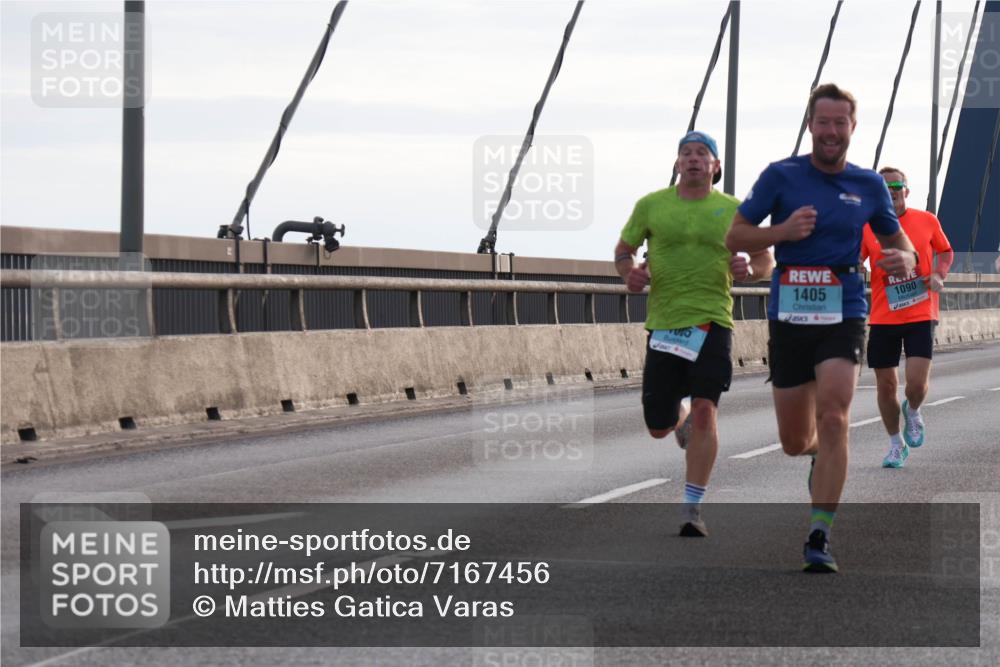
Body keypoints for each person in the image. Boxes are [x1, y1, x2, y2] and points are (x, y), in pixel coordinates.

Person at [725, 84, 918, 573]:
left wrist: (904, 257)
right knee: (795, 439)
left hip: (845, 308)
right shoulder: (780, 176)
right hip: (790, 312)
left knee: (835, 415)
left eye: (840, 123)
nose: (831, 132)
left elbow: (902, 244)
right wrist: (781, 233)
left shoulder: (870, 185)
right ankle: (815, 453)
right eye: (823, 122)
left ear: (853, 127)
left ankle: (819, 535)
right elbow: (737, 234)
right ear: (811, 124)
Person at [615, 130, 774, 537]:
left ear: (715, 166)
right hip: (665, 324)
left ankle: (692, 507)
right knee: (657, 425)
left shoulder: (734, 209)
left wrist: (750, 272)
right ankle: (677, 419)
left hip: (712, 322)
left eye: (702, 153)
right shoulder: (651, 205)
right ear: (676, 163)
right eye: (685, 153)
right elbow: (623, 249)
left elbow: (764, 259)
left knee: (707, 408)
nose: (693, 159)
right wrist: (629, 273)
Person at [861, 167, 954, 468]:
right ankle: (895, 444)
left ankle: (912, 411)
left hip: (920, 310)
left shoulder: (926, 220)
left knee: (915, 384)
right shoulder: (867, 227)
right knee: (886, 386)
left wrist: (939, 274)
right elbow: (854, 257)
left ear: (906, 191)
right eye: (884, 187)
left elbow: (946, 251)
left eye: (897, 185)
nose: (891, 191)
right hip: (883, 315)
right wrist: (857, 267)